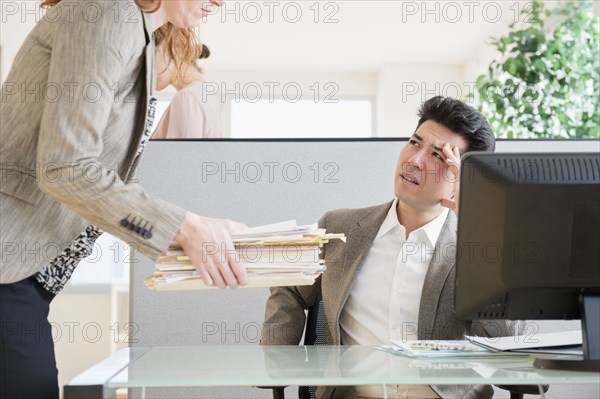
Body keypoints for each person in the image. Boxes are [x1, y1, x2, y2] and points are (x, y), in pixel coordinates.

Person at [0, 1, 245, 398]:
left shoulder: (137, 34)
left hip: (26, 273)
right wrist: (184, 228)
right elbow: (68, 167)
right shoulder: (106, 13)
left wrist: (195, 227)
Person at [262, 96, 517, 399]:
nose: (415, 160)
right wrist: (276, 365)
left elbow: (510, 341)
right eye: (414, 142)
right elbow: (289, 285)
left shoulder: (477, 246)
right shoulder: (339, 228)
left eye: (437, 155)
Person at [152, 40, 223, 139]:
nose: (146, 69)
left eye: (151, 56)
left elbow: (183, 153)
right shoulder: (204, 95)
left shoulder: (188, 97)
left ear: (173, 49)